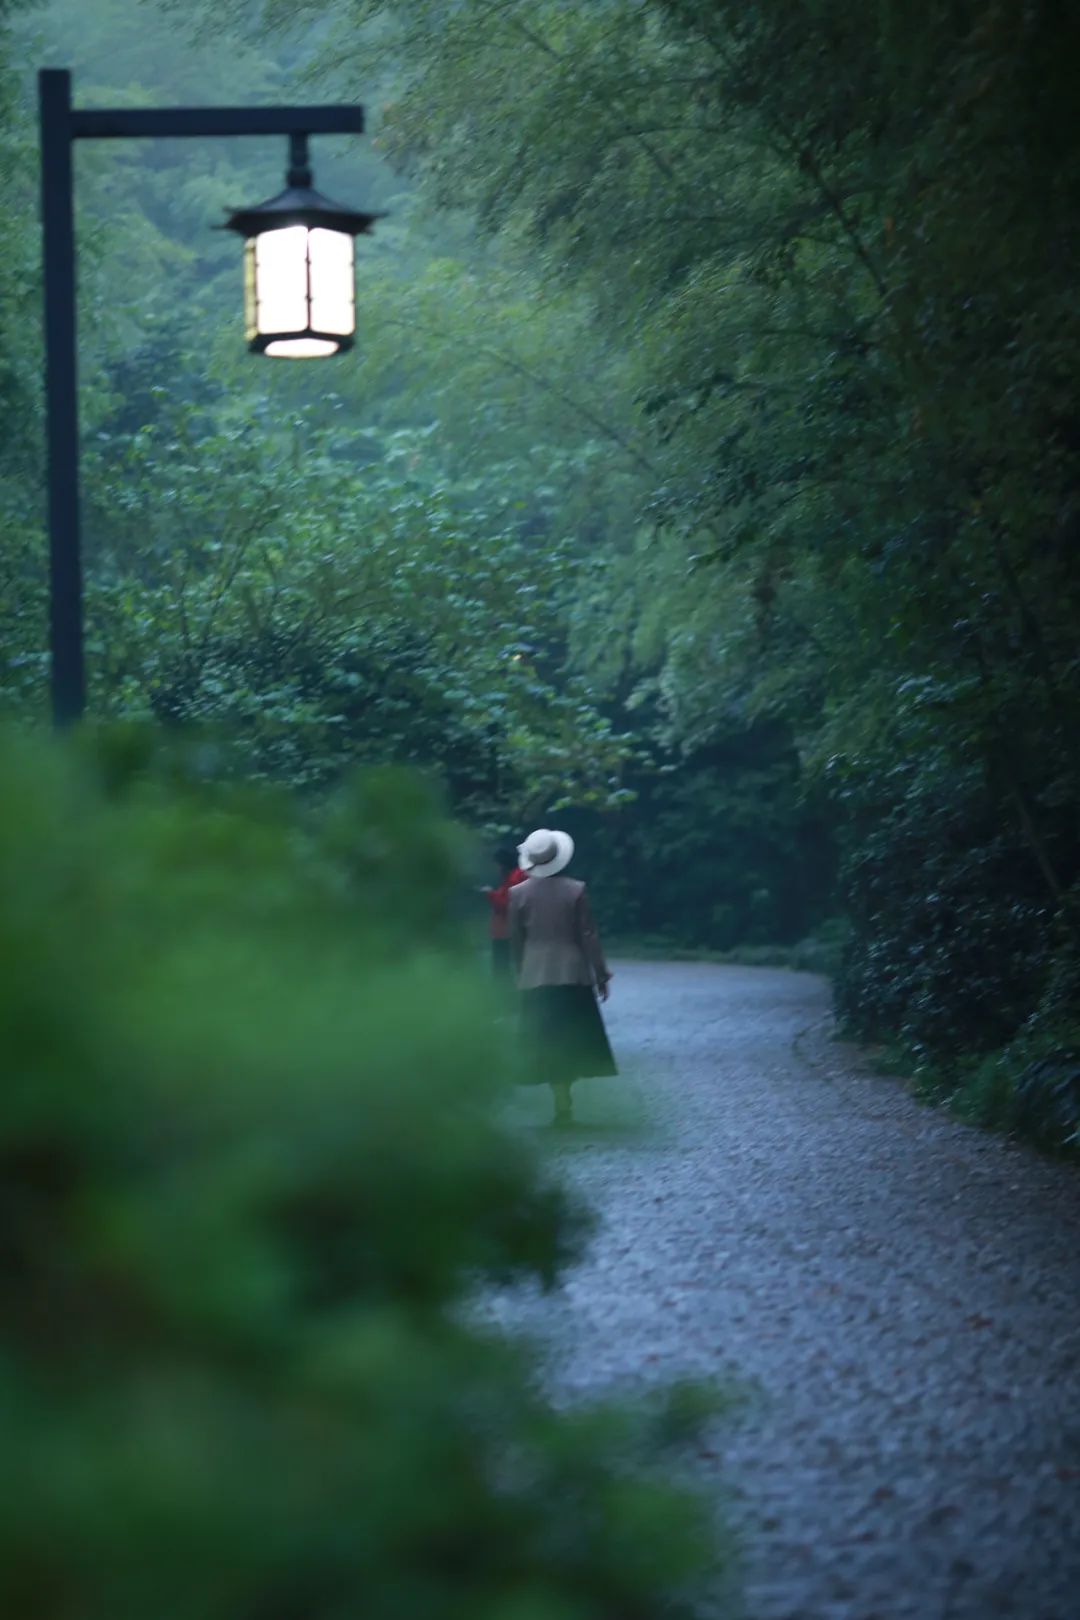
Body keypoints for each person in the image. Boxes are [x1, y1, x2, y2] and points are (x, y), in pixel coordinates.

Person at [509, 828, 616, 1127]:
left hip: (536, 974)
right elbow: (588, 935)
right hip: (572, 972)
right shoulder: (576, 890)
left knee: (546, 1037)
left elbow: (516, 939)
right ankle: (564, 1095)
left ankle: (560, 1097)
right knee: (569, 1036)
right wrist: (601, 973)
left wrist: (522, 971)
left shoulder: (517, 894)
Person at [484, 844, 527, 979]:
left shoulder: (515, 877)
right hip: (506, 929)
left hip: (507, 930)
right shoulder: (512, 876)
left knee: (502, 967)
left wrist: (490, 894)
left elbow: (507, 904)